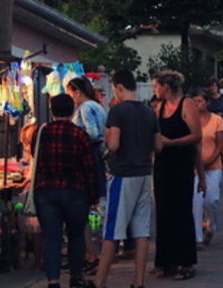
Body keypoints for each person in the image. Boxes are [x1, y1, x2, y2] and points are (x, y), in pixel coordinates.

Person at [94, 70, 161, 288]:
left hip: (123, 173)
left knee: (112, 230)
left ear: (119, 87)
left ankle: (100, 282)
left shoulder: (118, 111)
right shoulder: (149, 111)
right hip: (144, 172)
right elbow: (158, 145)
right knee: (141, 230)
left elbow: (113, 144)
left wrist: (105, 150)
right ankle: (138, 281)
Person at [34, 94, 99, 288]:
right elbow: (89, 167)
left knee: (51, 237)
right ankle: (75, 277)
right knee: (76, 235)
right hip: (75, 192)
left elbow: (36, 161)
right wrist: (94, 195)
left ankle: (53, 281)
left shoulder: (41, 133)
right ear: (72, 111)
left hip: (46, 191)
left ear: (52, 110)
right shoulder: (80, 135)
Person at [152, 71, 203, 281]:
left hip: (181, 163)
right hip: (163, 164)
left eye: (157, 86)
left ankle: (186, 261)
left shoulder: (187, 104)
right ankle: (166, 260)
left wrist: (172, 143)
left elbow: (196, 135)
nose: (155, 90)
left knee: (181, 210)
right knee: (163, 211)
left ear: (166, 86)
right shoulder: (159, 108)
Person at [66, 77, 107, 274]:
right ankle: (92, 253)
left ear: (76, 91)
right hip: (97, 156)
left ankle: (93, 255)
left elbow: (92, 132)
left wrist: (75, 139)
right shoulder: (97, 106)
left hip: (87, 157)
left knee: (85, 208)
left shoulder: (85, 108)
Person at [191, 89, 223, 247]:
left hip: (213, 166)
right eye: (195, 101)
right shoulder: (189, 121)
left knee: (211, 199)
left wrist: (210, 160)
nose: (197, 104)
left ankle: (211, 224)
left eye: (200, 101)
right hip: (194, 166)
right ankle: (197, 236)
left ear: (207, 103)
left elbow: (220, 144)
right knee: (196, 202)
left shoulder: (216, 120)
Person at [18, 124, 42, 270]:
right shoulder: (31, 153)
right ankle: (39, 260)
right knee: (36, 231)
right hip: (33, 192)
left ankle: (39, 261)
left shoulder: (36, 154)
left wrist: (24, 182)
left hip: (35, 194)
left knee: (37, 231)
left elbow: (32, 175)